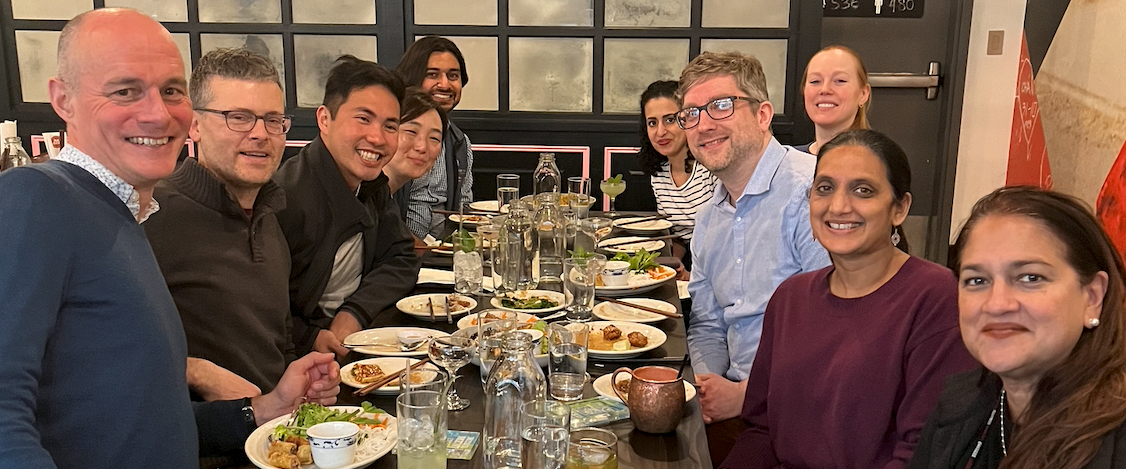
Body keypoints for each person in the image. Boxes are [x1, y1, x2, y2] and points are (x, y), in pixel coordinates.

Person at [0, 9, 338, 468]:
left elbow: (146, 420)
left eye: (171, 91)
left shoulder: (125, 219)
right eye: (125, 91)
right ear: (64, 99)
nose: (158, 113)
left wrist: (262, 410)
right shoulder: (36, 196)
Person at [722, 130, 976, 469]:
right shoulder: (790, 298)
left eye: (863, 190)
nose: (839, 206)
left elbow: (924, 451)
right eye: (825, 188)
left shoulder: (935, 297)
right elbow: (762, 429)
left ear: (900, 208)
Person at [676, 51, 831, 464]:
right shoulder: (709, 215)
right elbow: (708, 323)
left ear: (763, 114)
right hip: (735, 400)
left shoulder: (813, 192)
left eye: (721, 106)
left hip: (809, 410)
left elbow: (837, 334)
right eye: (690, 113)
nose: (703, 124)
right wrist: (707, 383)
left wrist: (745, 397)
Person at [909, 186, 1126, 469]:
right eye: (977, 280)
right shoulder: (957, 408)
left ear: (1093, 297)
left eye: (1030, 277)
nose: (997, 304)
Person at [145, 48, 293, 402]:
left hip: (279, 439)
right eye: (238, 117)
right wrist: (192, 369)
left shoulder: (269, 214)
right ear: (194, 125)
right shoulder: (151, 215)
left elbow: (279, 341)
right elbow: (97, 345)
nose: (260, 133)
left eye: (273, 119)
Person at [274, 55, 421, 359]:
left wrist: (354, 313)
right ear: (324, 119)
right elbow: (262, 306)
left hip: (353, 338)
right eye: (363, 119)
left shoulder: (369, 185)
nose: (377, 138)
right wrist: (310, 337)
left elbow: (401, 257)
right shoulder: (287, 197)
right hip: (296, 362)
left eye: (390, 126)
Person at [394, 35, 474, 240]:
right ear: (412, 77)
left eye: (453, 76)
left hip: (441, 253)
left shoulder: (459, 142)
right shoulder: (390, 131)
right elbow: (375, 210)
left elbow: (464, 210)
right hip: (394, 252)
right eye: (433, 74)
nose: (445, 84)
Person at [638, 80, 717, 279]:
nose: (660, 132)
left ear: (687, 119)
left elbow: (728, 238)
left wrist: (693, 276)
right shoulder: (660, 173)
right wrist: (673, 264)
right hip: (692, 268)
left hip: (718, 270)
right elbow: (677, 234)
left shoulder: (710, 167)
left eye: (670, 120)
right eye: (652, 123)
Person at [795, 45, 872, 155]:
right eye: (815, 81)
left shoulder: (879, 163)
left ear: (863, 94)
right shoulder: (787, 161)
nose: (825, 89)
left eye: (840, 80)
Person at [386, 87, 447, 223]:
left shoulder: (388, 198)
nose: (422, 147)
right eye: (411, 132)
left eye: (434, 138)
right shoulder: (360, 197)